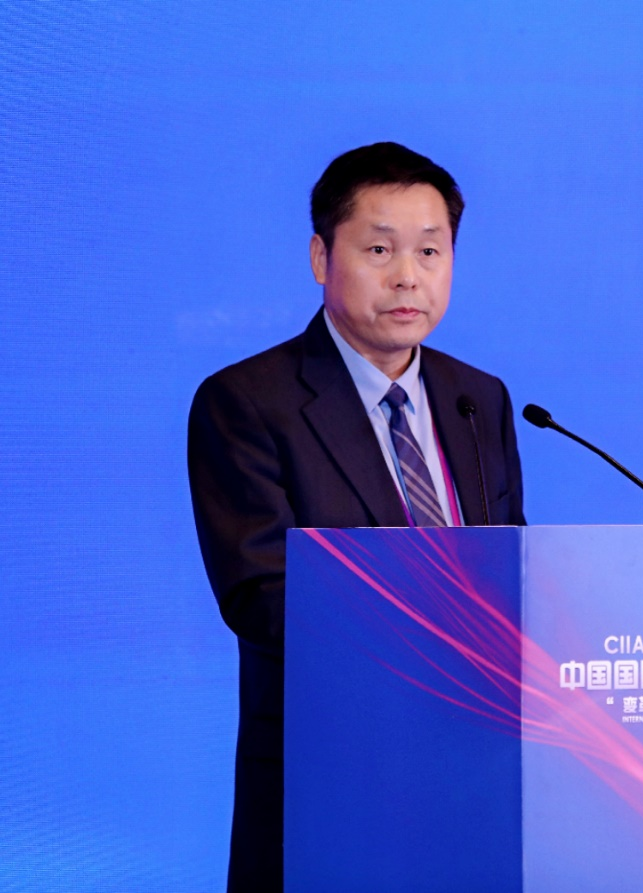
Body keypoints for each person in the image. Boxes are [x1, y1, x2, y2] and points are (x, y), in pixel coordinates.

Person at [187, 141, 525, 892]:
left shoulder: (480, 399)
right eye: (379, 249)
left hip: (474, 772)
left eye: (430, 251)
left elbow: (512, 571)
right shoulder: (248, 402)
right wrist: (444, 649)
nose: (408, 275)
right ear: (321, 256)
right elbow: (262, 595)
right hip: (330, 773)